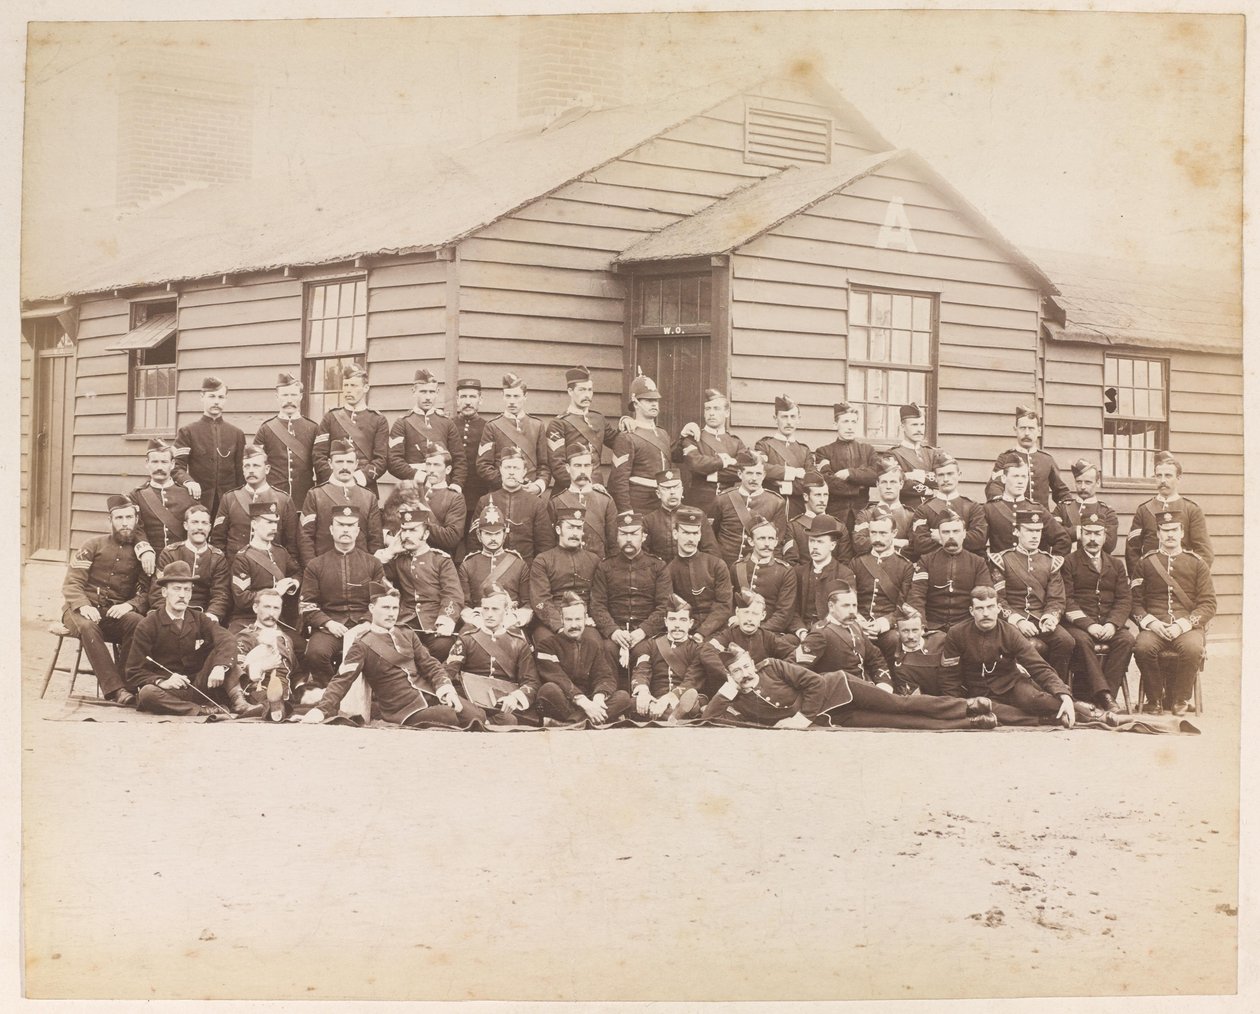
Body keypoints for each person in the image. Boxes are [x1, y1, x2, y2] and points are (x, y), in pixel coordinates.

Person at [302, 588, 485, 728]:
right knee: (453, 717)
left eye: (395, 608)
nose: (391, 613)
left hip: (428, 696)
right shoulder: (362, 644)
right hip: (403, 710)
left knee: (477, 715)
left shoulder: (407, 633)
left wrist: (446, 689)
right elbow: (342, 680)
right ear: (372, 609)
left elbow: (430, 665)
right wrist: (321, 710)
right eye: (385, 607)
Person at [700, 646, 997, 730]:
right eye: (737, 671)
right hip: (835, 717)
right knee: (899, 722)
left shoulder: (772, 667)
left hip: (842, 689)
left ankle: (968, 705)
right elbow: (709, 718)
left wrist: (801, 719)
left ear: (753, 663)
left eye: (746, 666)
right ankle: (971, 722)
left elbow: (814, 683)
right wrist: (728, 689)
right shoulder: (736, 698)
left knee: (900, 704)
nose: (745, 674)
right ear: (730, 675)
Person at [941, 586, 1094, 727]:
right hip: (977, 692)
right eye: (980, 608)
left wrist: (1064, 695)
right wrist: (957, 706)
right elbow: (949, 677)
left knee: (1039, 700)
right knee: (989, 711)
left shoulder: (1010, 632)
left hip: (1011, 685)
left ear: (998, 608)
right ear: (971, 611)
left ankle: (1093, 714)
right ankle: (1047, 719)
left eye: (990, 607)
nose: (986, 613)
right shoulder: (957, 633)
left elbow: (1038, 666)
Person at [60, 493, 150, 705]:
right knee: (88, 626)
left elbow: (146, 592)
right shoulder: (92, 545)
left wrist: (129, 605)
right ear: (110, 521)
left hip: (112, 613)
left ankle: (127, 684)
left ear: (136, 520)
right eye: (119, 518)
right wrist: (83, 605)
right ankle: (115, 689)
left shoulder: (141, 554)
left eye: (129, 517)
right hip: (77, 611)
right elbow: (72, 583)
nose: (125, 523)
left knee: (138, 622)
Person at [127, 561, 243, 716]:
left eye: (187, 590)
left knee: (225, 656)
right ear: (164, 592)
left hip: (201, 685)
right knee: (147, 693)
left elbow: (226, 638)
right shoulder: (148, 625)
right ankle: (200, 710)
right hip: (171, 691)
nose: (182, 595)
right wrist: (162, 681)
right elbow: (134, 671)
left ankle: (240, 703)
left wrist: (220, 667)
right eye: (177, 589)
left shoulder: (199, 618)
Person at [1131, 506, 1216, 715]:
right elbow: (1135, 602)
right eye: (1165, 530)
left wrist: (1183, 624)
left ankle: (1180, 699)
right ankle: (1154, 699)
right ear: (1158, 534)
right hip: (1155, 626)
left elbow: (1208, 603)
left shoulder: (1197, 564)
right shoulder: (1145, 563)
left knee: (1193, 649)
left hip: (1186, 626)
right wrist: (1151, 623)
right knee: (1142, 647)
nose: (1170, 535)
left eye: (1174, 530)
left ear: (1182, 533)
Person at [298, 504, 387, 692]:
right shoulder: (316, 565)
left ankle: (374, 696)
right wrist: (328, 623)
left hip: (364, 626)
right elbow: (307, 605)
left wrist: (367, 622)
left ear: (358, 531)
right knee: (315, 653)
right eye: (340, 525)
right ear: (331, 529)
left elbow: (380, 600)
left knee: (382, 652)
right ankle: (331, 691)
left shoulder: (373, 564)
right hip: (331, 627)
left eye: (350, 525)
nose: (345, 529)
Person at [988, 506, 1074, 682]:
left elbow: (1056, 599)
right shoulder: (1002, 560)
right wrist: (1019, 621)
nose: (1035, 536)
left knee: (1066, 641)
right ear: (1017, 532)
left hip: (1041, 619)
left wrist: (1050, 618)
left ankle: (1056, 686)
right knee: (1023, 644)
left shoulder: (1051, 562)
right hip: (1012, 621)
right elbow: (998, 599)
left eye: (1038, 531)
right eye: (1029, 531)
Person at [1061, 511, 1134, 713]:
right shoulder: (1068, 562)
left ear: (1105, 536)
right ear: (1081, 535)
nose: (1092, 539)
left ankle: (1106, 695)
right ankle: (1105, 697)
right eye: (1088, 533)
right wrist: (1089, 625)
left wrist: (1112, 624)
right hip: (1079, 625)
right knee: (1082, 641)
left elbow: (1124, 599)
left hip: (1108, 623)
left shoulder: (1116, 565)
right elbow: (1067, 600)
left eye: (1097, 534)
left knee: (1126, 640)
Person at [446, 584, 543, 726]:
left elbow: (531, 682)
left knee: (508, 720)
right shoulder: (467, 639)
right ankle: (480, 719)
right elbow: (447, 672)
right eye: (485, 609)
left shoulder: (519, 643)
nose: (489, 614)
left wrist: (514, 698)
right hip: (471, 700)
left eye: (495, 609)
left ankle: (481, 721)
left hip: (502, 704)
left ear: (506, 611)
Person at [377, 504, 463, 661]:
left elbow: (452, 594)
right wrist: (389, 552)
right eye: (404, 530)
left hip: (434, 621)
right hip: (406, 622)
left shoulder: (440, 560)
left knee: (443, 646)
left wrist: (446, 620)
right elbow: (376, 576)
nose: (407, 535)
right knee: (396, 646)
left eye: (413, 530)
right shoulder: (398, 559)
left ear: (426, 534)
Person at [590, 510, 672, 674]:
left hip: (646, 634)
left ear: (643, 537)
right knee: (606, 650)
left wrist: (643, 631)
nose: (628, 539)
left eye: (634, 534)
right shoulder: (605, 567)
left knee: (645, 650)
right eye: (623, 534)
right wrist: (613, 631)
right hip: (616, 631)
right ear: (616, 537)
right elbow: (597, 605)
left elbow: (665, 606)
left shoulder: (658, 567)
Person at [533, 593, 633, 726]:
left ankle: (570, 724)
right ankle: (589, 721)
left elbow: (604, 676)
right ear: (562, 620)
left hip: (590, 703)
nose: (574, 625)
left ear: (585, 619)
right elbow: (558, 678)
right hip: (564, 701)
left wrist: (598, 698)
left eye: (578, 619)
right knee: (549, 690)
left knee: (623, 697)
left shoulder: (592, 645)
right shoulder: (547, 646)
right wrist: (585, 704)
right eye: (569, 620)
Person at [628, 595, 722, 719]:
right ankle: (671, 714)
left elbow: (691, 680)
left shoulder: (698, 648)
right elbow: (641, 670)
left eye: (682, 620)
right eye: (672, 619)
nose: (677, 625)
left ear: (690, 623)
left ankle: (672, 713)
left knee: (691, 700)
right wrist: (643, 692)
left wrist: (668, 698)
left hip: (681, 698)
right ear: (666, 622)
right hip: (655, 699)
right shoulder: (651, 644)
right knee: (629, 702)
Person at [298, 439, 384, 567]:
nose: (345, 467)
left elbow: (376, 540)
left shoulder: (369, 497)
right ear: (330, 463)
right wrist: (313, 569)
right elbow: (305, 537)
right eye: (339, 462)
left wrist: (370, 569)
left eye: (349, 462)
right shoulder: (316, 495)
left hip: (359, 568)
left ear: (356, 464)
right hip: (324, 568)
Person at [906, 511, 992, 637]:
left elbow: (984, 597)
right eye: (946, 532)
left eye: (956, 531)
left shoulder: (977, 562)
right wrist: (921, 625)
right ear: (939, 535)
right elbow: (917, 595)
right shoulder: (926, 561)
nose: (951, 536)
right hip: (933, 626)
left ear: (964, 534)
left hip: (967, 627)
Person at [1125, 452, 1214, 573]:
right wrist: (1139, 578)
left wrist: (1191, 577)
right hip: (1150, 577)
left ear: (1179, 478)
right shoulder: (1144, 510)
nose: (1162, 480)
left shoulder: (1191, 510)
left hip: (1183, 578)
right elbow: (1132, 550)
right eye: (1158, 476)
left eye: (1168, 476)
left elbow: (1204, 552)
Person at [172, 375, 246, 518]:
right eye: (212, 396)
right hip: (198, 502)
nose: (216, 401)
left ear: (225, 399)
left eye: (220, 397)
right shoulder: (188, 432)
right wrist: (189, 482)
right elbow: (177, 467)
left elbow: (241, 473)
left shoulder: (236, 434)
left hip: (229, 504)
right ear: (202, 397)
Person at [210, 442, 300, 560]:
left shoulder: (283, 500)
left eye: (256, 466)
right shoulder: (230, 499)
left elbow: (291, 545)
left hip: (269, 567)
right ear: (243, 469)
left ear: (267, 469)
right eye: (247, 466)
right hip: (235, 567)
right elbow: (217, 541)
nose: (251, 470)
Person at [312, 362, 389, 499]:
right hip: (332, 488)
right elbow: (318, 455)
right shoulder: (330, 418)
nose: (348, 390)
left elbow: (381, 459)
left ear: (365, 388)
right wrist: (334, 478)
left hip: (365, 489)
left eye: (353, 386)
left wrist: (359, 478)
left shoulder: (378, 420)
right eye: (346, 385)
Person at [849, 508, 915, 668]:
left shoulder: (905, 566)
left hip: (887, 627)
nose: (877, 539)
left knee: (894, 639)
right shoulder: (857, 563)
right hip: (859, 623)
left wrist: (883, 623)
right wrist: (860, 622)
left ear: (894, 533)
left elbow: (904, 604)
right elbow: (848, 597)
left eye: (883, 533)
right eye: (873, 533)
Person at [796, 585, 893, 690]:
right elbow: (794, 668)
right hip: (842, 694)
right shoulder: (821, 633)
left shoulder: (855, 626)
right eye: (846, 606)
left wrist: (884, 684)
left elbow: (876, 658)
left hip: (866, 688)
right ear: (831, 606)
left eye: (854, 605)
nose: (852, 611)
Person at [149, 503, 230, 626]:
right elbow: (158, 590)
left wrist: (212, 615)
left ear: (209, 527)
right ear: (186, 525)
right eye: (195, 522)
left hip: (203, 614)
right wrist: (169, 616)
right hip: (170, 611)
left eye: (204, 523)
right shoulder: (170, 553)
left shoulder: (217, 557)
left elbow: (221, 594)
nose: (200, 527)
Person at [388, 367, 467, 493]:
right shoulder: (402, 423)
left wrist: (456, 484)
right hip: (412, 488)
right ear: (414, 391)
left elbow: (459, 459)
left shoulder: (447, 423)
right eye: (423, 392)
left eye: (431, 392)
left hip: (442, 488)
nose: (428, 397)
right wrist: (421, 476)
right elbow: (394, 461)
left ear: (437, 392)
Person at [467, 446, 552, 562]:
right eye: (507, 467)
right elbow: (474, 541)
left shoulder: (536, 503)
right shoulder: (485, 501)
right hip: (491, 567)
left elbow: (545, 544)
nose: (511, 472)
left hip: (526, 566)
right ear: (500, 469)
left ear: (524, 472)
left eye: (516, 468)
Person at [228, 501, 301, 634]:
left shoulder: (281, 552)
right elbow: (242, 598)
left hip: (276, 618)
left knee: (300, 645)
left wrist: (293, 583)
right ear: (254, 524)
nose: (274, 528)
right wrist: (276, 592)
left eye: (275, 523)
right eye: (269, 523)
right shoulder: (243, 558)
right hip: (248, 619)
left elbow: (297, 573)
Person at [664, 505, 733, 640]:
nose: (691, 539)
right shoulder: (669, 570)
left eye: (695, 533)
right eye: (686, 533)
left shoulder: (716, 565)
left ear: (700, 535)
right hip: (685, 632)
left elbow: (724, 606)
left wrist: (702, 633)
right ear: (675, 534)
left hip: (718, 631)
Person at [529, 507, 601, 636]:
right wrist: (559, 626)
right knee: (546, 641)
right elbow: (541, 600)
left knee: (593, 642)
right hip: (552, 621)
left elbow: (598, 599)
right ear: (558, 530)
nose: (575, 533)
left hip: (585, 620)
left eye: (578, 528)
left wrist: (584, 619)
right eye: (570, 527)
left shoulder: (593, 560)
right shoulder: (543, 560)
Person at [546, 365, 620, 493]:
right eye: (582, 390)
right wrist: (583, 486)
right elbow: (557, 466)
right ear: (570, 391)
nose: (587, 395)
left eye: (590, 390)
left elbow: (620, 442)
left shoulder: (598, 419)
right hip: (568, 491)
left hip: (597, 490)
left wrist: (627, 421)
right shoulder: (558, 424)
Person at [476, 372, 550, 495]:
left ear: (525, 397)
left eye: (516, 396)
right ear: (503, 396)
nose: (511, 401)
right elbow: (483, 465)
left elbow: (544, 465)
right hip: (501, 492)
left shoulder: (537, 425)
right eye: (508, 396)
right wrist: (508, 484)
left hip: (530, 493)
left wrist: (538, 486)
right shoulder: (493, 426)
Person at [253, 372, 319, 509]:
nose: (289, 400)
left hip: (304, 500)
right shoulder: (266, 429)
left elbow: (320, 465)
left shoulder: (313, 428)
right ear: (277, 397)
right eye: (285, 395)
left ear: (300, 396)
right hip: (273, 500)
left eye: (293, 395)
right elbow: (256, 466)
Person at [984, 405, 1070, 509]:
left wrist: (1065, 511)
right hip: (1013, 514)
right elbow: (994, 487)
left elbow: (1061, 492)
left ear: (1039, 431)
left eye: (1031, 428)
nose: (1027, 433)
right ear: (1015, 430)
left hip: (1041, 516)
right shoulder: (1005, 458)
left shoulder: (1047, 460)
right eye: (1023, 428)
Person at [609, 373, 674, 513]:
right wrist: (626, 511)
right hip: (638, 505)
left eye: (656, 400)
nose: (654, 404)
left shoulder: (662, 434)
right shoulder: (627, 436)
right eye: (648, 400)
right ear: (635, 403)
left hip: (663, 504)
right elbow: (618, 481)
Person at [710, 449, 787, 565]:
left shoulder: (776, 502)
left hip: (756, 567)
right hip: (725, 565)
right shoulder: (723, 499)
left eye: (758, 474)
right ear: (740, 474)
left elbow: (777, 543)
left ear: (764, 475)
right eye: (749, 473)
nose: (754, 478)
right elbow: (711, 536)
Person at [459, 504, 531, 627]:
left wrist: (512, 620)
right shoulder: (468, 565)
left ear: (504, 535)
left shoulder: (519, 564)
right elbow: (463, 604)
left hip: (510, 623)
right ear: (479, 535)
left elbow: (527, 604)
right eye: (488, 534)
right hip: (478, 624)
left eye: (497, 533)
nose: (493, 538)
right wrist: (477, 621)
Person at [676, 388, 746, 512]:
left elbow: (742, 471)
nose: (711, 413)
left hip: (729, 502)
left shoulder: (736, 442)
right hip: (699, 503)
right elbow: (696, 464)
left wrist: (709, 474)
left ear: (727, 413)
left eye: (716, 409)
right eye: (708, 409)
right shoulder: (693, 438)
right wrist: (725, 462)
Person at [234, 588, 299, 721]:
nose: (271, 613)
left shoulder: (286, 639)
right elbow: (237, 673)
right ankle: (272, 709)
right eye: (267, 607)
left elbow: (295, 672)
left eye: (276, 608)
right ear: (255, 608)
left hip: (286, 695)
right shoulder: (245, 636)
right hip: (257, 693)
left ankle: (280, 708)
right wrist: (261, 667)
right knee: (268, 703)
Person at [983, 458, 1070, 556]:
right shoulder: (990, 509)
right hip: (1001, 565)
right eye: (1015, 476)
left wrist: (1048, 562)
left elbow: (1063, 540)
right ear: (1004, 478)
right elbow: (978, 544)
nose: (1020, 481)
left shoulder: (1037, 509)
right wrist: (989, 563)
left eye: (1024, 477)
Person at [131, 438, 199, 561]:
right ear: (147, 463)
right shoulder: (136, 495)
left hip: (181, 560)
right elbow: (136, 528)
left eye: (164, 462)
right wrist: (145, 550)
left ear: (172, 464)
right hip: (150, 559)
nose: (159, 467)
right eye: (155, 462)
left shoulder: (187, 494)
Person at [909, 453, 988, 559]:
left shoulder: (973, 507)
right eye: (941, 475)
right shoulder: (924, 509)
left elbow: (979, 539)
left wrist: (940, 538)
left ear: (959, 475)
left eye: (950, 474)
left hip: (967, 564)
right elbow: (920, 544)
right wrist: (957, 538)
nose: (946, 479)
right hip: (934, 564)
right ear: (935, 478)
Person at [547, 440, 617, 558]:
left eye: (587, 465)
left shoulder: (605, 501)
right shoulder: (556, 502)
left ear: (592, 468)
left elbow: (614, 545)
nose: (583, 471)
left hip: (598, 565)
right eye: (577, 466)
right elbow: (549, 545)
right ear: (568, 468)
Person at [730, 515, 799, 634]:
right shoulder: (737, 567)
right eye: (762, 538)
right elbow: (730, 604)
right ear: (751, 541)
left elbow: (783, 614)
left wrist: (758, 630)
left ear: (776, 542)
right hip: (739, 629)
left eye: (771, 539)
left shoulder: (785, 572)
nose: (767, 544)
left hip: (769, 633)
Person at [790, 514, 856, 638]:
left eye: (820, 542)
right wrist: (801, 631)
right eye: (811, 541)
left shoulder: (844, 574)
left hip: (832, 634)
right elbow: (792, 611)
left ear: (832, 545)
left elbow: (845, 612)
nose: (814, 547)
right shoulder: (798, 572)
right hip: (803, 633)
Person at [815, 402, 879, 526]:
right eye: (845, 422)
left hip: (862, 515)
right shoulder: (824, 452)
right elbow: (828, 482)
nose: (850, 427)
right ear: (835, 425)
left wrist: (850, 473)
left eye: (853, 422)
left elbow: (877, 475)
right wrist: (859, 486)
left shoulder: (867, 450)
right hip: (835, 516)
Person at [755, 394, 816, 519]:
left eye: (792, 417)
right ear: (775, 419)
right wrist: (793, 472)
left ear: (798, 419)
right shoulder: (764, 445)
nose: (788, 422)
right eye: (784, 417)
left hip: (798, 510)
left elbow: (811, 481)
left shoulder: (804, 450)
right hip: (769, 508)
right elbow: (761, 468)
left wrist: (786, 486)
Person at [886, 402, 951, 510]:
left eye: (922, 425)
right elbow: (897, 483)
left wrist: (918, 475)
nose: (919, 429)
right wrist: (927, 490)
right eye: (914, 425)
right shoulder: (893, 454)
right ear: (903, 427)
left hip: (934, 510)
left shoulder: (932, 453)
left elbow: (945, 477)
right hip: (907, 510)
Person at [409, 441, 468, 559]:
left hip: (436, 560)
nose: (431, 470)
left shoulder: (455, 498)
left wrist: (421, 519)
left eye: (436, 465)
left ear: (448, 469)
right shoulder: (413, 492)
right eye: (428, 464)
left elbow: (451, 538)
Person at [642, 469, 719, 560]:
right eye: (666, 489)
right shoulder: (649, 521)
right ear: (658, 493)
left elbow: (711, 551)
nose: (672, 492)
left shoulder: (697, 515)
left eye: (676, 487)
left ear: (682, 490)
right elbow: (643, 555)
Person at [707, 591, 799, 664]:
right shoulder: (728, 635)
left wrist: (775, 669)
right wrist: (727, 674)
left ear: (763, 615)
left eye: (755, 614)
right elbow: (707, 651)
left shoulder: (768, 638)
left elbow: (796, 655)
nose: (749, 619)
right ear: (737, 612)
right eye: (746, 612)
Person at [783, 472, 852, 565]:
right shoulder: (793, 527)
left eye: (825, 495)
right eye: (818, 495)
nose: (822, 500)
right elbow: (791, 563)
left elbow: (845, 562)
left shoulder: (839, 527)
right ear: (806, 497)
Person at [850, 455, 914, 557]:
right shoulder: (866, 514)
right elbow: (859, 543)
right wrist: (898, 542)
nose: (888, 487)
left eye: (893, 482)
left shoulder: (910, 515)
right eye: (884, 482)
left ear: (901, 484)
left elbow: (914, 547)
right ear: (877, 484)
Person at [1054, 458, 1118, 556]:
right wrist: (1078, 532)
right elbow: (1053, 533)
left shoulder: (1107, 512)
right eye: (1079, 482)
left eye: (1088, 482)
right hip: (1064, 562)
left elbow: (1109, 544)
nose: (1083, 486)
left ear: (1097, 483)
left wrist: (1071, 533)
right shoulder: (1062, 508)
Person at [453, 378, 488, 526]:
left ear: (480, 400)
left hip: (478, 495)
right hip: (452, 494)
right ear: (457, 400)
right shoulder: (449, 425)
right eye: (463, 396)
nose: (468, 402)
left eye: (472, 397)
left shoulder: (488, 427)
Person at [890, 610, 946, 696]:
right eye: (905, 631)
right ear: (897, 631)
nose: (911, 636)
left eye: (915, 630)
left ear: (922, 629)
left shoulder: (940, 639)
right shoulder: (899, 663)